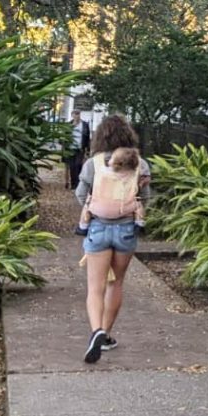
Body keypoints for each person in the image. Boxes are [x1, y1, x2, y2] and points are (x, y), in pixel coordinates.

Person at [74, 115, 151, 364]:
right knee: (115, 283)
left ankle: (96, 330)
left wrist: (91, 207)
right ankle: (105, 335)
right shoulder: (140, 164)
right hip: (126, 229)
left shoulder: (93, 163)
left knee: (95, 287)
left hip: (97, 228)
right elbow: (146, 197)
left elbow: (80, 193)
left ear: (101, 136)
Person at [65, 109, 91, 190]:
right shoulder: (68, 125)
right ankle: (74, 185)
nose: (77, 115)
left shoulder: (85, 125)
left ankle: (78, 184)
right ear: (72, 115)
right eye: (75, 114)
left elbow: (87, 137)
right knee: (72, 166)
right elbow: (63, 137)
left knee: (78, 164)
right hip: (70, 148)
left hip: (80, 148)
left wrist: (88, 149)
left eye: (78, 114)